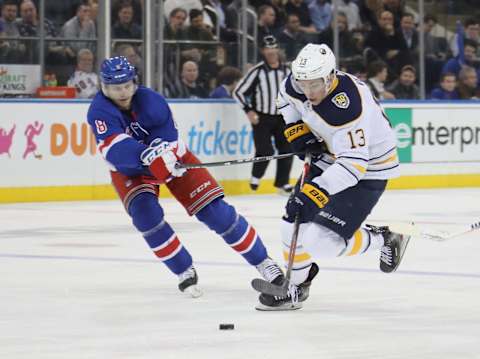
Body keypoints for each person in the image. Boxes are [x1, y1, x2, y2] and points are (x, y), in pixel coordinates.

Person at [87, 56, 284, 297]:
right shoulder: (99, 111)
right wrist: (148, 157)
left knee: (215, 211)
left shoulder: (151, 100)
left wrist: (167, 156)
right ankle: (183, 269)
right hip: (132, 170)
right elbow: (115, 149)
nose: (123, 92)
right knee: (145, 216)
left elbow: (168, 136)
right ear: (104, 87)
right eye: (117, 88)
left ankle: (263, 262)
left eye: (127, 85)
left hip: (174, 159)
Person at [256, 43, 410, 310]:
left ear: (330, 77)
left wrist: (315, 192)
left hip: (367, 169)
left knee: (321, 244)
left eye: (315, 84)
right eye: (303, 83)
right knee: (290, 223)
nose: (308, 91)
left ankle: (385, 238)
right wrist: (296, 131)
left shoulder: (348, 106)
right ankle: (294, 288)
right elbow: (285, 102)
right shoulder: (296, 83)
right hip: (329, 156)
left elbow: (353, 166)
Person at [233, 35, 293, 196]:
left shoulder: (288, 71)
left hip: (282, 116)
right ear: (262, 51)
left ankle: (283, 183)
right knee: (265, 149)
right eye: (267, 48)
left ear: (278, 49)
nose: (271, 51)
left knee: (287, 149)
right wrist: (248, 110)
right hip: (262, 117)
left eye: (273, 48)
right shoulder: (257, 71)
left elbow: (297, 92)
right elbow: (238, 92)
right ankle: (256, 176)